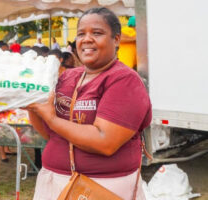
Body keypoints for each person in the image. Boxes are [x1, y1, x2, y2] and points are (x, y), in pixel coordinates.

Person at [27, 7, 151, 200]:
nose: (86, 39)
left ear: (116, 39)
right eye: (81, 34)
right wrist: (33, 106)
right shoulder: (68, 76)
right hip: (54, 182)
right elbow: (51, 134)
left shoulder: (124, 80)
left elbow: (105, 141)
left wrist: (51, 118)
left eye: (97, 33)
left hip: (101, 188)